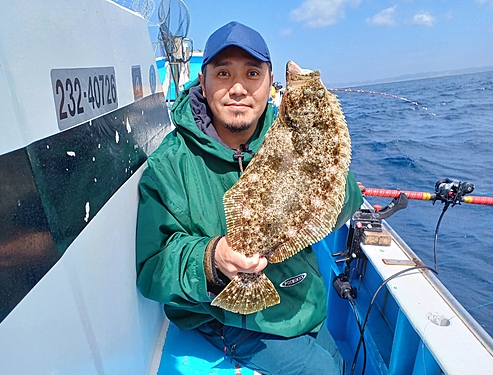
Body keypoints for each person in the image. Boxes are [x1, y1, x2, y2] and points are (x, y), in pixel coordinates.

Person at [136, 21, 363, 375]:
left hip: (303, 304)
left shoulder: (291, 137)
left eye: (252, 73)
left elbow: (342, 206)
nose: (239, 87)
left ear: (271, 84)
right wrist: (213, 258)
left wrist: (327, 158)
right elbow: (153, 265)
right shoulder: (170, 164)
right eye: (223, 73)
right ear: (203, 81)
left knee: (338, 363)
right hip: (224, 315)